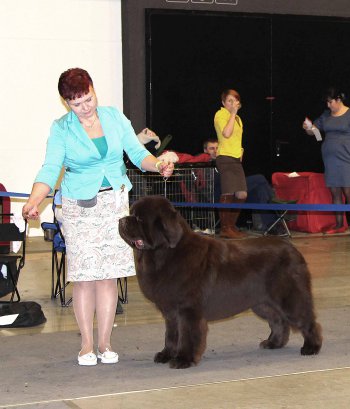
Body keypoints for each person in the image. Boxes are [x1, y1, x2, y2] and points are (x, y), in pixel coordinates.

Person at [21, 68, 175, 366]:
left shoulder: (115, 117)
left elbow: (136, 153)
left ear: (93, 90)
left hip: (115, 204)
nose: (85, 107)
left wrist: (158, 165)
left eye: (88, 99)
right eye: (76, 104)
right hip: (79, 206)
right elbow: (51, 168)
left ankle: (105, 343)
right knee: (84, 276)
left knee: (108, 276)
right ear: (66, 103)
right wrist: (34, 200)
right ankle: (86, 344)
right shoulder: (62, 128)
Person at [303, 87, 350, 235]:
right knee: (334, 191)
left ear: (338, 100)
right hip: (330, 158)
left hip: (347, 156)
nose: (328, 105)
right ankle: (339, 225)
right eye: (327, 103)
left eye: (330, 102)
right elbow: (316, 133)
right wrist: (308, 128)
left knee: (348, 191)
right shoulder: (326, 115)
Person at [200, 139, 281, 233]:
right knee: (260, 178)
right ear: (205, 150)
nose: (215, 151)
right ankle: (278, 207)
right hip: (219, 194)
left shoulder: (223, 161)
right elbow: (216, 183)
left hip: (233, 191)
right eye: (211, 148)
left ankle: (271, 225)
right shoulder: (205, 163)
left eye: (217, 148)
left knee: (260, 190)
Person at [213, 89, 248, 239]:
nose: (233, 104)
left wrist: (241, 150)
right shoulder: (220, 114)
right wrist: (233, 113)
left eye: (235, 100)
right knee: (228, 191)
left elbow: (237, 138)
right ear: (223, 103)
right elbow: (226, 134)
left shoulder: (239, 119)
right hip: (225, 157)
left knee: (242, 193)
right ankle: (225, 228)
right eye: (229, 101)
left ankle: (232, 225)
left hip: (235, 158)